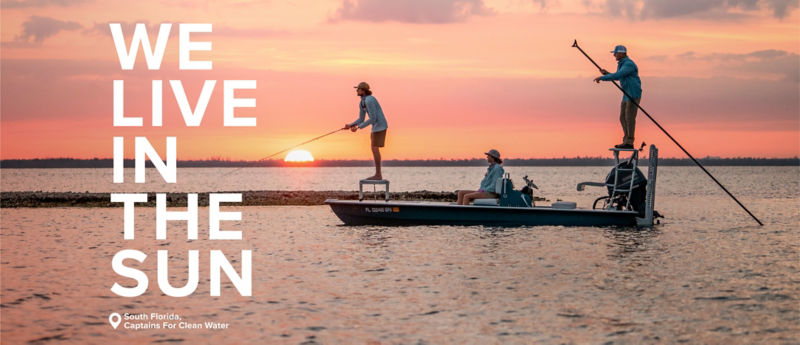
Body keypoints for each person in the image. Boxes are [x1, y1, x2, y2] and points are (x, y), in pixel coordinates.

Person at [594, 45, 642, 149]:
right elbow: (619, 76)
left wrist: (602, 77)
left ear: (622, 53)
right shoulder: (622, 64)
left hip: (633, 94)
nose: (614, 55)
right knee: (622, 117)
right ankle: (626, 141)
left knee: (629, 118)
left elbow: (618, 75)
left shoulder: (628, 64)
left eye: (615, 53)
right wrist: (607, 74)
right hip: (626, 94)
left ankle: (629, 142)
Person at [345, 82, 389, 180]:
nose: (357, 91)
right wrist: (351, 125)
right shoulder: (362, 102)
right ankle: (378, 174)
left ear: (363, 91)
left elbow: (373, 118)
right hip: (375, 127)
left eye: (358, 89)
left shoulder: (370, 100)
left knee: (374, 148)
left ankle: (378, 175)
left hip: (380, 126)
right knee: (373, 149)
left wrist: (358, 127)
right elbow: (361, 119)